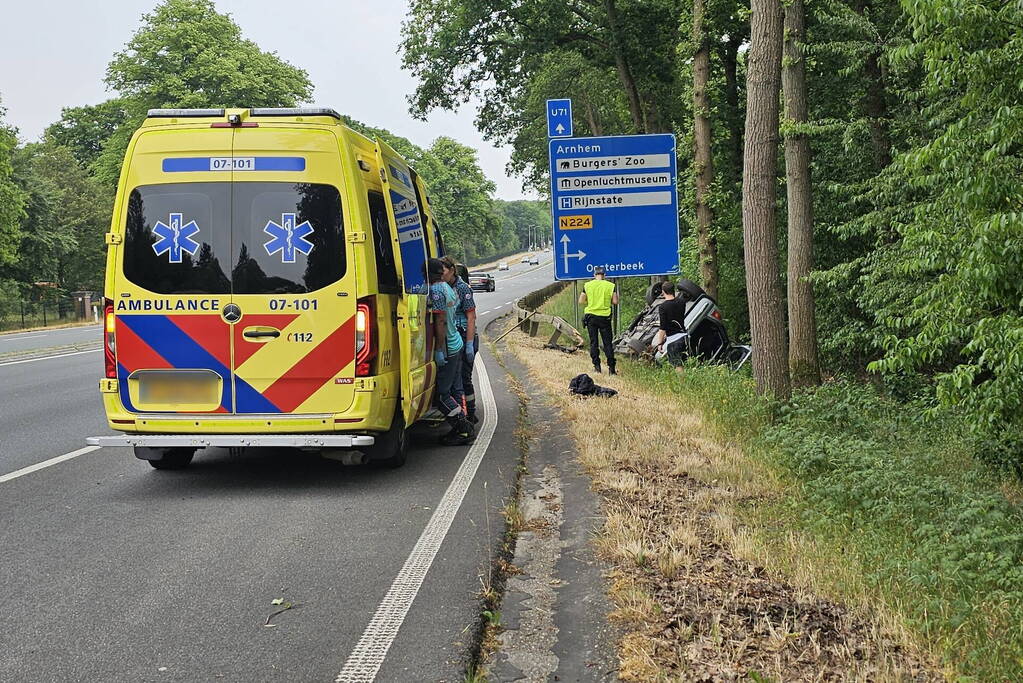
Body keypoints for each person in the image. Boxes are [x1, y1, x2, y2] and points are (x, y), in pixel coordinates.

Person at [426, 257, 473, 446]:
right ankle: (462, 427)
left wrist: (438, 349)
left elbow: (440, 321)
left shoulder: (437, 291)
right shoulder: (447, 287)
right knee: (454, 390)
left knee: (442, 395)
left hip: (448, 347)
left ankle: (463, 429)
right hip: (456, 343)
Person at [441, 255, 479, 424]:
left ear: (452, 270)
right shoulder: (442, 288)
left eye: (443, 271)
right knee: (456, 380)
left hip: (465, 334)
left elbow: (471, 317)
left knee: (464, 377)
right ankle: (462, 414)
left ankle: (470, 413)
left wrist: (469, 344)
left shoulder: (462, 288)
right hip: (454, 335)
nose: (441, 275)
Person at [578, 266, 619, 374]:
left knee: (593, 342)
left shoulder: (587, 285)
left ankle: (597, 367)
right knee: (607, 343)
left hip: (591, 317)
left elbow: (581, 301)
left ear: (594, 275)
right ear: (604, 275)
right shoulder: (611, 286)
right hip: (605, 318)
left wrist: (590, 300)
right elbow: (615, 301)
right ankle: (612, 369)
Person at [653, 281, 689, 351]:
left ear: (663, 292)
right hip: (684, 337)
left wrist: (660, 343)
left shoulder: (663, 307)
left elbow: (663, 327)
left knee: (675, 361)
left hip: (673, 340)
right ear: (673, 290)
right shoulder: (682, 302)